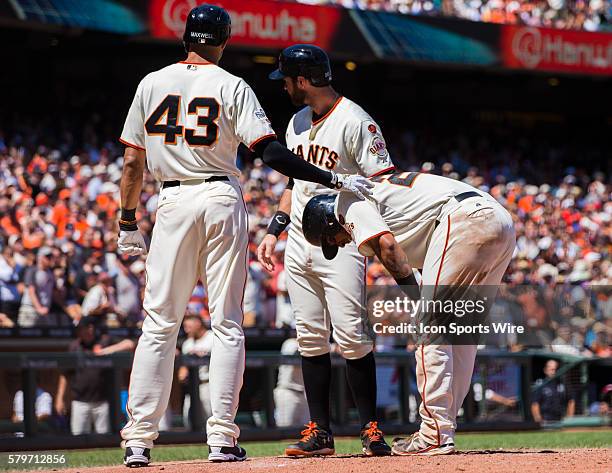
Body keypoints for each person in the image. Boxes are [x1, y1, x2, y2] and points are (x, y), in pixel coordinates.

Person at [116, 4, 373, 467]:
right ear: (223, 41)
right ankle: (221, 439)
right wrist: (331, 179)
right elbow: (270, 151)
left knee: (159, 325)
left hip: (170, 201)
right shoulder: (231, 84)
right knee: (227, 323)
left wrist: (127, 221)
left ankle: (138, 440)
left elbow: (133, 162)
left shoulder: (150, 82)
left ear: (185, 38)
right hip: (217, 196)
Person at [301, 170, 516, 455]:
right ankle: (444, 427)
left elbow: (388, 246)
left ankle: (433, 434)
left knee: (430, 325)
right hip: (498, 221)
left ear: (328, 222)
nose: (340, 243)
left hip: (462, 220)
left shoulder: (346, 203)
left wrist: (416, 299)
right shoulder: (388, 202)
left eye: (332, 239)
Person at [257, 44, 395, 457]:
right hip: (299, 241)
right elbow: (293, 184)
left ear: (303, 80)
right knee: (310, 337)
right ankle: (320, 432)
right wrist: (274, 229)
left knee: (352, 335)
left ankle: (370, 427)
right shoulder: (297, 121)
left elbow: (383, 183)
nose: (282, 86)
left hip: (343, 239)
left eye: (286, 79)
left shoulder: (356, 121)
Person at [55, 317, 136, 436]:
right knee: (78, 438)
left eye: (87, 328)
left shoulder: (104, 341)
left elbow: (129, 344)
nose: (86, 331)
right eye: (82, 329)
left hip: (102, 401)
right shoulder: (74, 347)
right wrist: (60, 398)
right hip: (80, 401)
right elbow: (65, 374)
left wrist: (106, 351)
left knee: (104, 439)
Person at [178, 315, 213, 428]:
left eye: (189, 326)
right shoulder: (187, 344)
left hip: (209, 384)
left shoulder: (212, 337)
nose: (186, 329)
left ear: (198, 324)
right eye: (185, 327)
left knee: (211, 420)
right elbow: (184, 368)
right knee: (188, 420)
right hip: (193, 386)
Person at [274, 338, 309, 427]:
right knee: (285, 429)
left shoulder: (311, 343)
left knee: (307, 431)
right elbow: (296, 355)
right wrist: (332, 348)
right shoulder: (290, 343)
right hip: (288, 393)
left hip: (304, 394)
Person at [17, 247, 54, 327]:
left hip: (44, 311)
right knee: (26, 336)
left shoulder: (50, 272)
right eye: (47, 257)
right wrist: (39, 308)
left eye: (51, 256)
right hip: (30, 310)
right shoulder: (32, 271)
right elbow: (31, 291)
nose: (50, 259)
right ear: (40, 257)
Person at [531, 359, 575, 424]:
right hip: (545, 420)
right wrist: (538, 420)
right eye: (551, 370)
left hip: (561, 420)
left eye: (555, 369)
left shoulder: (563, 384)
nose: (554, 372)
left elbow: (571, 401)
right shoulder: (540, 385)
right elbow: (535, 404)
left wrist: (569, 418)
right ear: (545, 370)